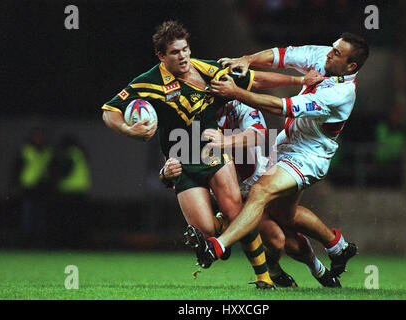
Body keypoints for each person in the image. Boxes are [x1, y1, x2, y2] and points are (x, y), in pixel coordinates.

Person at [101, 20, 323, 289]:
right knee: (205, 231)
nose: (182, 56)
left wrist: (299, 80)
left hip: (211, 154)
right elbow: (109, 110)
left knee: (236, 211)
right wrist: (128, 129)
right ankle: (219, 232)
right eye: (174, 52)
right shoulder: (148, 82)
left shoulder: (208, 70)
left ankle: (263, 279)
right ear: (161, 56)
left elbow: (255, 79)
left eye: (185, 50)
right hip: (181, 162)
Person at [186, 33, 370, 280]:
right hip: (285, 144)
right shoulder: (324, 56)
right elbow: (281, 55)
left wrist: (236, 93)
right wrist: (248, 59)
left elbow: (281, 107)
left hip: (309, 155)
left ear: (351, 66)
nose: (329, 52)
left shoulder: (341, 94)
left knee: (260, 194)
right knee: (285, 216)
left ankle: (216, 246)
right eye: (333, 47)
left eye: (336, 52)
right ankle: (337, 247)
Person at [165, 100, 340, 287]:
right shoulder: (189, 119)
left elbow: (260, 134)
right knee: (277, 240)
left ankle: (321, 268)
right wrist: (165, 174)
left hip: (261, 180)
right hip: (234, 195)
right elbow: (174, 161)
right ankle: (272, 268)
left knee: (291, 239)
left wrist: (225, 141)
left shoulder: (238, 106)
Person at [11, 127, 53, 247]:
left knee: (41, 216)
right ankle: (26, 241)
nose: (39, 139)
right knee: (27, 215)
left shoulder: (47, 151)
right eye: (36, 136)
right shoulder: (26, 150)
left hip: (42, 187)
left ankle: (40, 241)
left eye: (40, 137)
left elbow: (51, 169)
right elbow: (17, 168)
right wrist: (15, 184)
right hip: (28, 187)